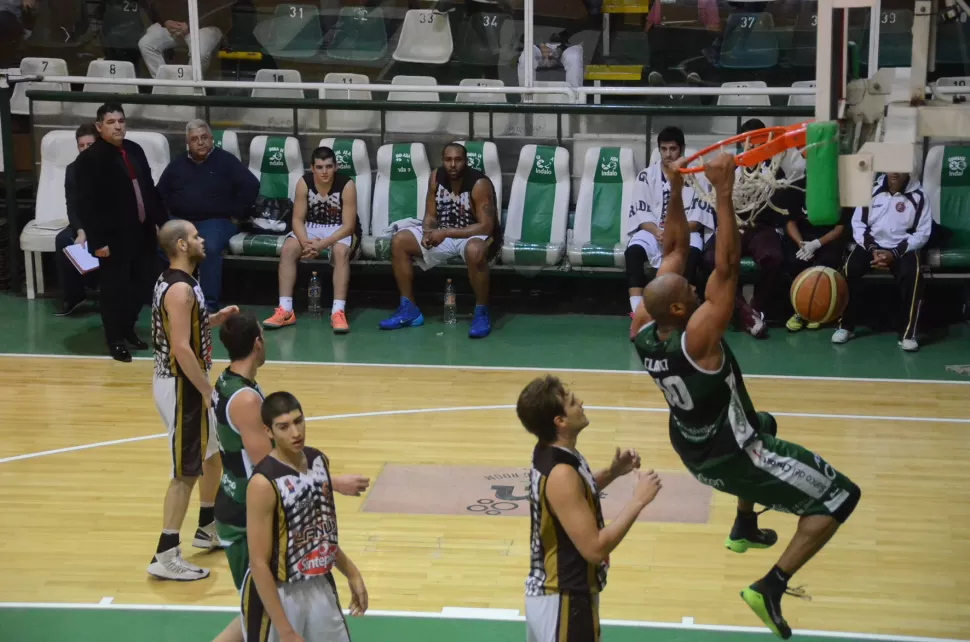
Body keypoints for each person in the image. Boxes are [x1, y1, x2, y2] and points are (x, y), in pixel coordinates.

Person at [631, 153, 861, 640]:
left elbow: (672, 247)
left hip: (694, 447)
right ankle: (771, 586)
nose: (696, 287)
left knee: (765, 420)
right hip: (736, 454)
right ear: (680, 306)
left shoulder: (643, 327)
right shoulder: (698, 338)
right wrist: (721, 191)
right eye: (690, 292)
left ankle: (743, 527)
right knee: (840, 496)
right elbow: (729, 267)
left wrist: (674, 188)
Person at [209, 312, 370, 642]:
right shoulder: (247, 399)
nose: (293, 432)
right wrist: (330, 482)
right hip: (244, 514)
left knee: (252, 612)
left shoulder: (228, 380)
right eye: (283, 426)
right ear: (258, 342)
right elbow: (268, 467)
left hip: (233, 499)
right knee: (259, 609)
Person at [517, 375, 662, 642]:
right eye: (572, 402)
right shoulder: (560, 473)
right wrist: (638, 500)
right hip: (564, 600)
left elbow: (571, 498)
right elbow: (595, 548)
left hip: (556, 597)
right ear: (559, 422)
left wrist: (612, 472)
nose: (580, 403)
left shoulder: (551, 452)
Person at [147, 219, 238, 581]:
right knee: (185, 470)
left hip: (185, 381)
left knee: (212, 455)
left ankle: (207, 526)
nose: (202, 240)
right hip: (182, 384)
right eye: (196, 236)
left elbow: (180, 331)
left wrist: (214, 319)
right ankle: (165, 554)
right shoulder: (179, 290)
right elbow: (181, 349)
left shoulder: (180, 283)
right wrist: (207, 391)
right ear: (182, 245)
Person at [243, 392, 368, 642]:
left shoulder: (318, 461)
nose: (295, 432)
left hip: (318, 582)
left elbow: (319, 535)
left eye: (298, 421)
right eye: (284, 427)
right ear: (269, 432)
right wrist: (286, 630)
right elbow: (258, 563)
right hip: (279, 592)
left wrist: (351, 572)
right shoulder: (262, 483)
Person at [74, 102, 168, 362]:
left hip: (142, 232)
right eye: (111, 122)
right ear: (99, 126)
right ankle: (114, 339)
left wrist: (163, 222)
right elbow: (86, 205)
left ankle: (127, 328)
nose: (117, 126)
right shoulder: (90, 159)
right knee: (114, 289)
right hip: (112, 238)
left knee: (141, 284)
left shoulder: (135, 150)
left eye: (121, 121)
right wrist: (98, 241)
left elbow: (149, 189)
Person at [379, 143, 500, 338]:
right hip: (443, 232)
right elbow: (430, 215)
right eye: (448, 160)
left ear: (466, 162)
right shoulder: (436, 177)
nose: (453, 165)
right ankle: (409, 309)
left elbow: (486, 226)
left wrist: (445, 233)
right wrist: (428, 232)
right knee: (400, 240)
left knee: (475, 251)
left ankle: (481, 311)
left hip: (471, 234)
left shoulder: (479, 184)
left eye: (458, 160)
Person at [702, 119, 805, 339]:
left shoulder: (776, 172)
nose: (752, 145)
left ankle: (757, 307)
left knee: (773, 257)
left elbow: (782, 207)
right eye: (748, 141)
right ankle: (744, 312)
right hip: (732, 228)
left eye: (757, 141)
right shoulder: (729, 170)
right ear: (742, 143)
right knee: (710, 257)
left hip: (760, 228)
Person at [157, 119, 259, 312]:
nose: (201, 142)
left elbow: (251, 185)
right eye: (195, 139)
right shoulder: (177, 165)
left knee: (209, 248)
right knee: (163, 244)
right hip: (181, 220)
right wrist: (162, 222)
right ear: (188, 143)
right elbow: (159, 194)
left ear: (212, 139)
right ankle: (172, 297)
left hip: (216, 221)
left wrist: (237, 214)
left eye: (204, 138)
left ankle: (208, 306)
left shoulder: (226, 161)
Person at [625, 127, 715, 340]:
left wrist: (674, 232)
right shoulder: (646, 176)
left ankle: (679, 313)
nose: (668, 154)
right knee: (634, 252)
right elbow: (639, 211)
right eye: (663, 149)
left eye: (673, 149)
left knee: (692, 253)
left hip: (686, 231)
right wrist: (657, 231)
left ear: (681, 150)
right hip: (654, 230)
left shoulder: (697, 175)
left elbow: (700, 216)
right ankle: (638, 311)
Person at [263, 146, 361, 334]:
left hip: (339, 228)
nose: (324, 172)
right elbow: (297, 220)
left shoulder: (346, 185)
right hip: (311, 227)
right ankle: (286, 309)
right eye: (320, 167)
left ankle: (338, 311)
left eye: (329, 166)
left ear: (336, 166)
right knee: (288, 250)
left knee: (340, 252)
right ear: (312, 168)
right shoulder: (304, 183)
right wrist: (306, 243)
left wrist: (322, 245)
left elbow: (349, 226)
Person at [832, 171, 932, 351]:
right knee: (849, 269)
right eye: (891, 166)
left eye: (900, 167)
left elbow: (922, 233)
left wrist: (894, 253)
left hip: (902, 248)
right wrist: (873, 250)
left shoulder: (920, 196)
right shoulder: (870, 190)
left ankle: (908, 334)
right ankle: (845, 327)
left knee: (914, 274)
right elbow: (858, 224)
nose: (895, 172)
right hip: (871, 246)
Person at [783, 205, 851, 332]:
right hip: (802, 237)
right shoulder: (797, 189)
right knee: (794, 262)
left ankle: (818, 311)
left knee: (825, 265)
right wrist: (801, 244)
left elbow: (840, 228)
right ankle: (800, 310)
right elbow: (790, 222)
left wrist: (816, 244)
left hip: (828, 239)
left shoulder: (838, 192)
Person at [54, 124, 98, 317]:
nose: (86, 148)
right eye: (82, 145)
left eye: (90, 144)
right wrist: (80, 230)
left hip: (107, 222)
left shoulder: (109, 166)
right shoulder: (72, 170)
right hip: (82, 223)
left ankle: (105, 292)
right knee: (63, 240)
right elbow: (71, 204)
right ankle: (73, 296)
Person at [138, 0, 228, 78]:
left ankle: (189, 86)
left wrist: (191, 24)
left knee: (200, 52)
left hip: (206, 26)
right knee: (146, 43)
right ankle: (164, 84)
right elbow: (153, 4)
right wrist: (165, 21)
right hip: (174, 24)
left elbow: (219, 9)